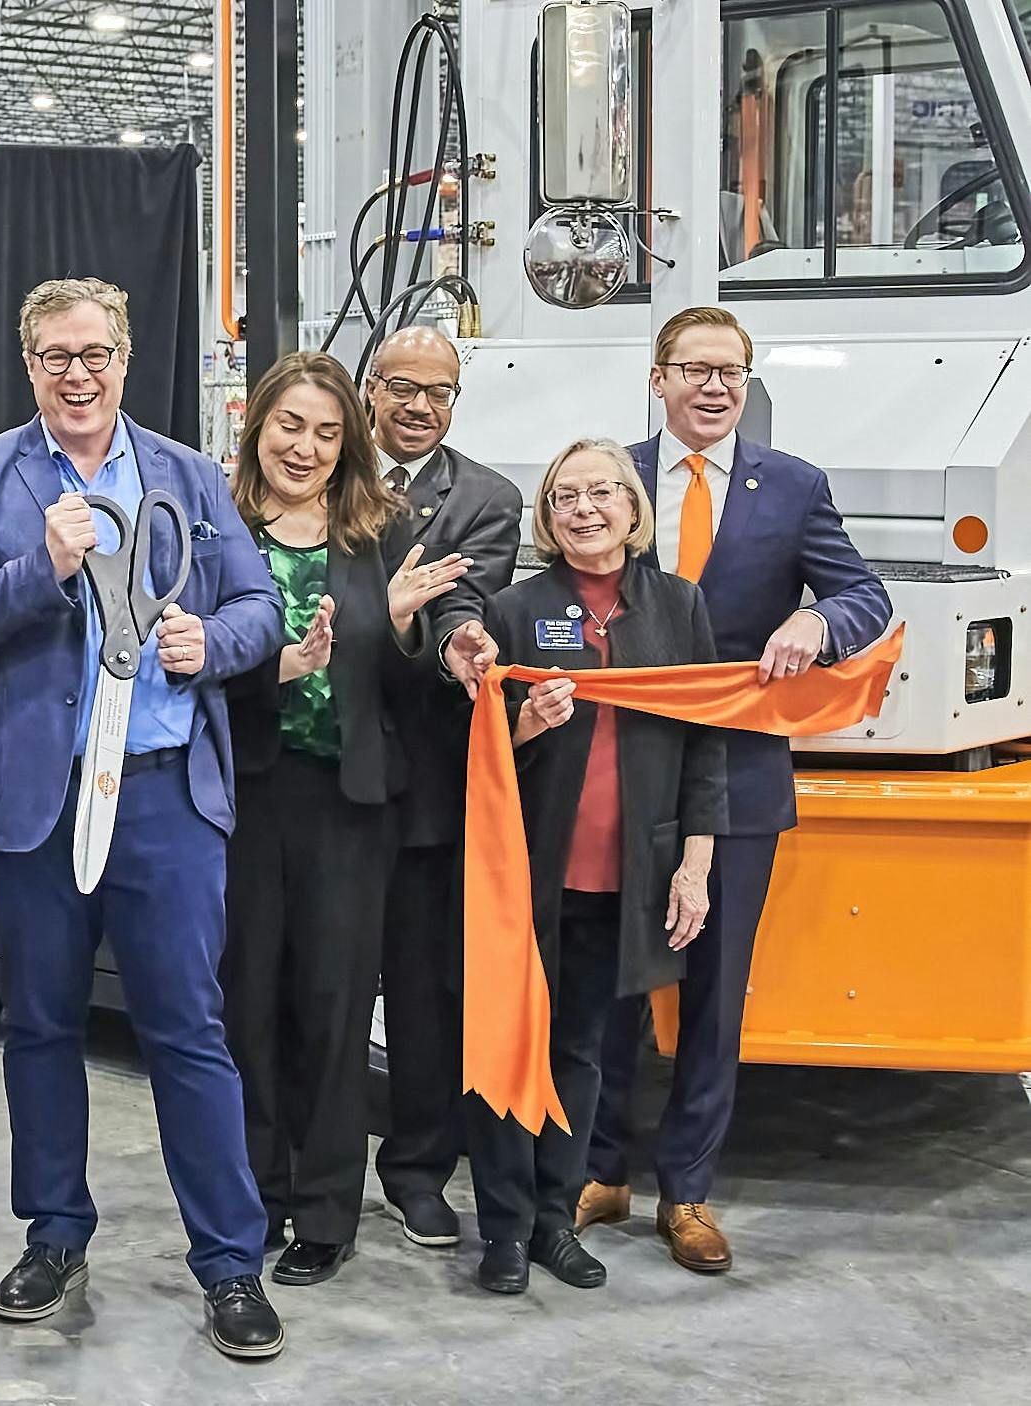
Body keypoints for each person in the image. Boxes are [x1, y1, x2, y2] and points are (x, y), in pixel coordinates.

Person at [0, 277, 287, 1360]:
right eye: (53, 356)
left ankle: (229, 1262)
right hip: (32, 805)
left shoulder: (188, 475)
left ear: (125, 356)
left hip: (166, 796)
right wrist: (45, 566)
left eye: (95, 353)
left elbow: (257, 605)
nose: (76, 374)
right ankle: (54, 1234)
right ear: (26, 362)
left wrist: (205, 646)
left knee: (187, 1031)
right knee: (38, 1024)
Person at [578, 307, 891, 1272]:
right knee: (610, 982)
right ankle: (601, 1169)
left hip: (742, 777)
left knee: (715, 995)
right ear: (658, 378)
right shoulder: (610, 475)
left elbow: (867, 596)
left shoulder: (793, 487)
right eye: (697, 369)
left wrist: (821, 626)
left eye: (733, 373)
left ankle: (689, 1192)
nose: (716, 388)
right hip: (618, 769)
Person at [219, 351, 469, 1285]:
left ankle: (326, 1210)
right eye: (291, 426)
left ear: (348, 442)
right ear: (258, 427)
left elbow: (407, 695)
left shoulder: (380, 531)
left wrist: (404, 626)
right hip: (241, 798)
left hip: (349, 804)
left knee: (330, 1006)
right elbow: (188, 658)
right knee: (247, 1006)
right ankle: (253, 1197)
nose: (307, 447)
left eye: (327, 433)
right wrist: (272, 668)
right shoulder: (219, 527)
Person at [466, 437, 725, 1296]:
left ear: (631, 507)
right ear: (546, 516)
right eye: (566, 496)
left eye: (603, 492)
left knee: (580, 1052)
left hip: (627, 876)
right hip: (530, 875)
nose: (585, 508)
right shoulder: (513, 610)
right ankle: (502, 1231)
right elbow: (480, 751)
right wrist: (530, 724)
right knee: (510, 1048)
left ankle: (553, 1222)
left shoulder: (679, 606)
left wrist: (694, 864)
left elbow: (705, 743)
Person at [362, 326, 523, 1250]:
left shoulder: (488, 501)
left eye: (441, 392)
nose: (421, 406)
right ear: (371, 387)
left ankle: (419, 1169)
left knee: (423, 997)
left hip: (423, 788)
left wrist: (442, 629)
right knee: (324, 987)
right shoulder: (323, 465)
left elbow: (465, 603)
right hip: (319, 776)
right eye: (403, 387)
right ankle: (312, 1168)